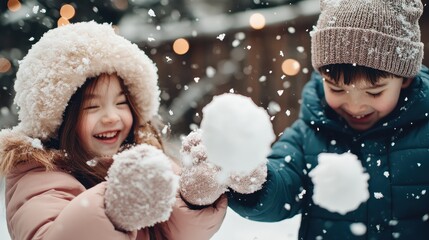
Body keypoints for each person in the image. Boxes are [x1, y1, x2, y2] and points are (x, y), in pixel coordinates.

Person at [179, 0, 429, 239]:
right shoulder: (309, 135)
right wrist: (253, 180)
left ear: (405, 78)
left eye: (374, 92)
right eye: (337, 89)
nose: (355, 105)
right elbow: (282, 189)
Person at [0, 21, 227, 240]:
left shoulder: (145, 161)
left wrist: (192, 197)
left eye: (121, 103)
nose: (111, 117)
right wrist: (113, 208)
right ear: (58, 122)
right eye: (92, 106)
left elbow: (172, 232)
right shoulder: (39, 180)